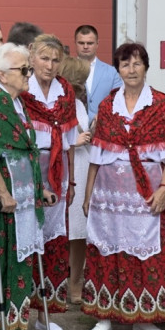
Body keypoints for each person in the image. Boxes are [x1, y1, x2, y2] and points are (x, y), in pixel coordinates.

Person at [81, 42, 165, 330]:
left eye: (137, 63)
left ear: (146, 67)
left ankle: (145, 314)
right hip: (109, 196)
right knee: (107, 251)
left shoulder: (160, 103)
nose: (131, 69)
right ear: (118, 69)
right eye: (125, 64)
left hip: (148, 191)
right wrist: (88, 196)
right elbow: (97, 155)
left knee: (146, 255)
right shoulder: (107, 106)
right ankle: (105, 317)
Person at [0, 43, 54, 330]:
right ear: (4, 75)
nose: (28, 75)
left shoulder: (15, 102)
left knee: (17, 259)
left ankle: (12, 323)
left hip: (23, 195)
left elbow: (23, 151)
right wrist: (4, 193)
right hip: (5, 201)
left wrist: (40, 188)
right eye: (24, 69)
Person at [21, 34, 78, 330]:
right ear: (31, 56)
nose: (50, 65)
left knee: (54, 244)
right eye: (45, 58)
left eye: (55, 60)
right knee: (25, 241)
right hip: (28, 169)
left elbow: (68, 143)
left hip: (57, 171)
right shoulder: (21, 88)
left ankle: (45, 314)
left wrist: (71, 183)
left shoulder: (65, 91)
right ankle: (18, 314)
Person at [59, 56, 93, 304]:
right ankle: (60, 282)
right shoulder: (59, 103)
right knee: (62, 229)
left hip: (82, 167)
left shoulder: (79, 104)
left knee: (79, 230)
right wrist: (73, 141)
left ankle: (75, 282)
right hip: (65, 167)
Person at [74, 24, 123, 120]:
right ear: (75, 43)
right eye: (81, 43)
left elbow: (119, 101)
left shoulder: (112, 72)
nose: (85, 46)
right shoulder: (66, 70)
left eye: (90, 43)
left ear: (97, 44)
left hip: (102, 128)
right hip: (73, 130)